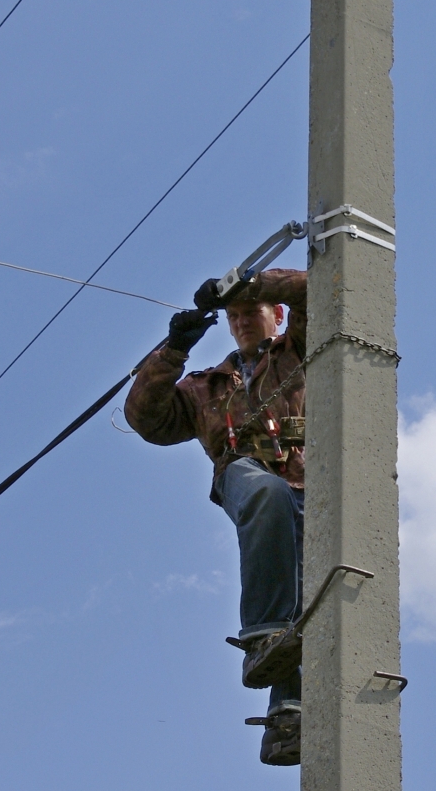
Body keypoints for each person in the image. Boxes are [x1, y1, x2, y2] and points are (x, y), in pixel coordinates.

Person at [124, 268, 307, 767]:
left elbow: (313, 285)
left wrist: (247, 284)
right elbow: (146, 418)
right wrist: (173, 350)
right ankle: (263, 632)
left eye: (253, 312)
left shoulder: (302, 349)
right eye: (235, 316)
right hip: (246, 476)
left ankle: (288, 717)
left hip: (314, 485)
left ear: (277, 314)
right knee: (267, 495)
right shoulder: (207, 386)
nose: (244, 321)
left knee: (311, 589)